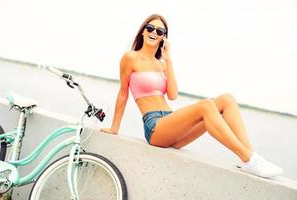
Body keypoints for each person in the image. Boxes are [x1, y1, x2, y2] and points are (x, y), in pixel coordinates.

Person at [101, 14, 283, 178]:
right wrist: (114, 127)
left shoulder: (162, 64)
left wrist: (169, 59)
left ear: (163, 37)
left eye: (159, 31)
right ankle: (248, 158)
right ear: (142, 32)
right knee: (205, 105)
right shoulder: (130, 57)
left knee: (227, 99)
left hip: (171, 123)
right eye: (150, 28)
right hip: (155, 127)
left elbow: (172, 95)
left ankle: (251, 158)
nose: (153, 32)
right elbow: (123, 93)